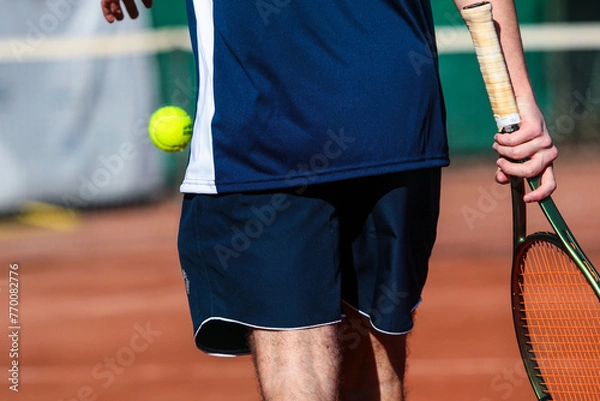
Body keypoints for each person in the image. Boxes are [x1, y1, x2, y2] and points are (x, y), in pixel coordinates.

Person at [102, 1, 558, 399]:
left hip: (262, 126)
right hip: (394, 114)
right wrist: (518, 108)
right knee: (375, 362)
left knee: (296, 360)